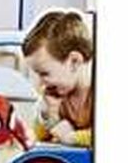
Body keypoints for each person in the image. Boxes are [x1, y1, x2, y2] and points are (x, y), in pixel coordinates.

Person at [23, 10, 94, 147]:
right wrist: (49, 114)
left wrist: (72, 138)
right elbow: (35, 140)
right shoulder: (58, 94)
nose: (40, 83)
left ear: (74, 62)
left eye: (44, 74)